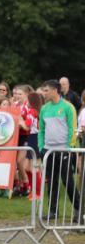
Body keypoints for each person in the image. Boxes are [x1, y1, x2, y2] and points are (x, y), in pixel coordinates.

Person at [38, 80, 80, 220]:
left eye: (46, 90)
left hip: (64, 150)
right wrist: (41, 147)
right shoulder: (44, 108)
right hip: (48, 150)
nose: (44, 93)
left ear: (55, 90)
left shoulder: (68, 107)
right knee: (52, 181)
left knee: (67, 181)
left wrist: (69, 147)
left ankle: (79, 209)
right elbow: (41, 130)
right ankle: (53, 211)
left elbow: (73, 128)